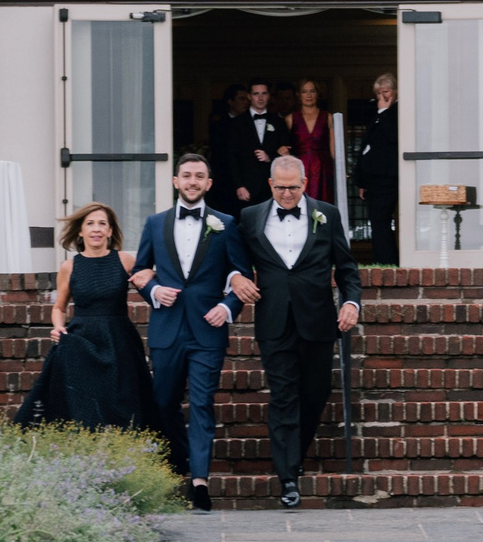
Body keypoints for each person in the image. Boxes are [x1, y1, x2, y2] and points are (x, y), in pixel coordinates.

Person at [225, 154, 361, 509]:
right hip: (274, 320)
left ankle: (293, 457)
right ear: (270, 184)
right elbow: (233, 258)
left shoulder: (327, 214)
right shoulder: (250, 216)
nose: (287, 194)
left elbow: (347, 269)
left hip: (318, 319)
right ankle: (288, 477)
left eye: (294, 187)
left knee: (315, 393)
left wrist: (351, 303)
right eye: (281, 187)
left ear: (305, 184)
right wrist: (235, 277)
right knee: (284, 396)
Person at [126, 152, 242, 512]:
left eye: (200, 176)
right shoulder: (155, 223)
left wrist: (226, 308)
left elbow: (240, 276)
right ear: (176, 181)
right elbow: (141, 271)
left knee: (203, 404)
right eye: (187, 175)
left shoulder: (226, 224)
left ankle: (200, 482)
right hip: (167, 327)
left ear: (209, 183)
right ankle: (178, 465)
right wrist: (153, 292)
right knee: (163, 403)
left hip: (207, 329)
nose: (193, 181)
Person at [14, 203, 156, 432]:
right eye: (90, 224)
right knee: (84, 408)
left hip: (120, 342)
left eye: (102, 224)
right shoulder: (69, 267)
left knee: (124, 405)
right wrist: (58, 328)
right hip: (82, 344)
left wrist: (150, 271)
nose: (96, 229)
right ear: (80, 231)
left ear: (110, 231)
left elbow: (150, 287)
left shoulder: (124, 260)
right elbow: (58, 307)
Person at [351, 72, 399, 266]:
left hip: (387, 177)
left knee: (381, 222)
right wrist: (361, 180)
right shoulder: (379, 113)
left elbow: (394, 138)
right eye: (378, 93)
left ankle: (387, 265)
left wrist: (385, 111)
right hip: (373, 180)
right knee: (377, 223)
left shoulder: (395, 112)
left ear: (395, 91)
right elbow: (367, 147)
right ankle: (381, 262)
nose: (382, 96)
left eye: (386, 91)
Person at [225, 80, 285, 209]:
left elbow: (287, 153)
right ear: (249, 96)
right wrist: (239, 186)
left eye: (264, 93)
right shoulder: (236, 123)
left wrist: (270, 158)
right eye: (256, 94)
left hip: (273, 186)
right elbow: (231, 157)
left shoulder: (279, 122)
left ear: (269, 96)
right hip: (247, 187)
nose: (260, 97)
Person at [284, 78, 336, 205]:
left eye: (312, 91)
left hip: (323, 168)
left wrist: (339, 170)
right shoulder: (291, 119)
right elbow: (285, 147)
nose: (309, 95)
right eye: (304, 92)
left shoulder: (327, 117)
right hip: (301, 169)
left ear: (318, 93)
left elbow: (333, 149)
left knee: (324, 205)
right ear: (298, 95)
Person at [205, 84, 251, 215]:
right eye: (241, 99)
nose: (246, 102)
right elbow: (219, 155)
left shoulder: (250, 123)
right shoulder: (219, 125)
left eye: (247, 99)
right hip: (225, 183)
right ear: (231, 102)